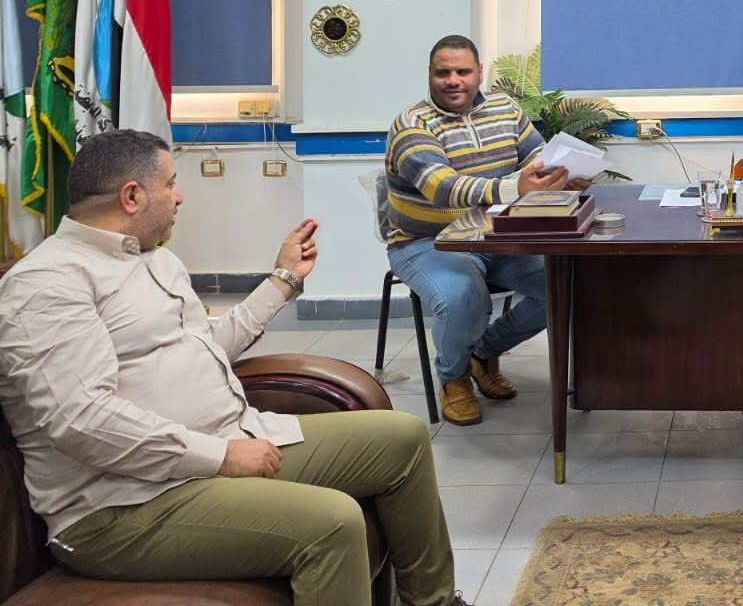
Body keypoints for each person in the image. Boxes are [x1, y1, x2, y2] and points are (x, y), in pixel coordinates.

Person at [0, 129, 471, 605]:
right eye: (171, 184)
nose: (179, 196)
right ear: (132, 196)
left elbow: (207, 347)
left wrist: (282, 280)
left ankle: (433, 602)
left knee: (403, 440)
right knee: (334, 523)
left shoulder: (155, 261)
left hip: (224, 441)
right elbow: (81, 421)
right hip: (122, 506)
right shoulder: (47, 284)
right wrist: (220, 456)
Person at [386, 34, 587, 426]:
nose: (453, 80)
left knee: (566, 283)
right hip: (428, 242)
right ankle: (454, 378)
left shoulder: (504, 109)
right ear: (429, 75)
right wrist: (514, 188)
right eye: (443, 73)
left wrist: (562, 174)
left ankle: (483, 352)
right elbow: (443, 188)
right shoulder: (411, 124)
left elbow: (536, 156)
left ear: (479, 73)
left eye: (463, 71)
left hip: (497, 234)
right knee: (464, 297)